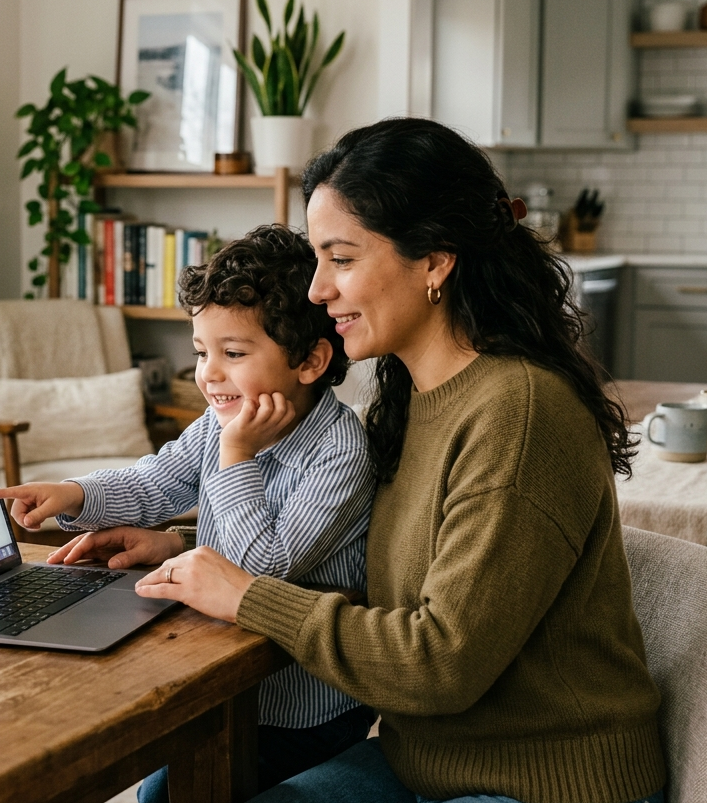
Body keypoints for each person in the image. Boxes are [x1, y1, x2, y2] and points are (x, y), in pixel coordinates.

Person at [126, 118, 667, 803]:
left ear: (434, 261)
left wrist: (245, 594)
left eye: (341, 258)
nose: (317, 290)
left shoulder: (517, 412)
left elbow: (439, 660)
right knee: (172, 794)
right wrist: (177, 547)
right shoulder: (410, 397)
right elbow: (354, 552)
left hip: (543, 784)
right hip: (427, 761)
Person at [0, 225, 376, 798]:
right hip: (224, 677)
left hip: (301, 708)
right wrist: (73, 494)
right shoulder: (220, 423)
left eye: (234, 353)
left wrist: (236, 456)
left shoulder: (339, 453)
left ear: (311, 361)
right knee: (155, 792)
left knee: (169, 794)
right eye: (201, 352)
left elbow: (259, 570)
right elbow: (156, 481)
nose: (208, 373)